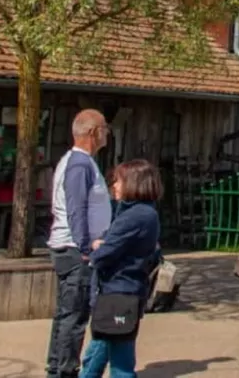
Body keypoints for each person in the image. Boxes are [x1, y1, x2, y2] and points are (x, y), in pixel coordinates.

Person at [81, 160, 163, 378]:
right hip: (118, 292)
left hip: (120, 292)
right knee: (99, 350)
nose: (114, 186)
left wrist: (97, 250)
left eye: (118, 181)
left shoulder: (137, 216)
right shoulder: (133, 212)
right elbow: (110, 240)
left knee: (120, 363)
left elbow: (105, 252)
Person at [45, 109, 112, 378]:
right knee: (74, 317)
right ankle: (64, 370)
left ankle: (57, 368)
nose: (107, 133)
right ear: (93, 132)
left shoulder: (80, 163)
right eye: (105, 128)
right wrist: (85, 248)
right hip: (75, 251)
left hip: (74, 248)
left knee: (67, 314)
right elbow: (76, 207)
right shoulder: (79, 164)